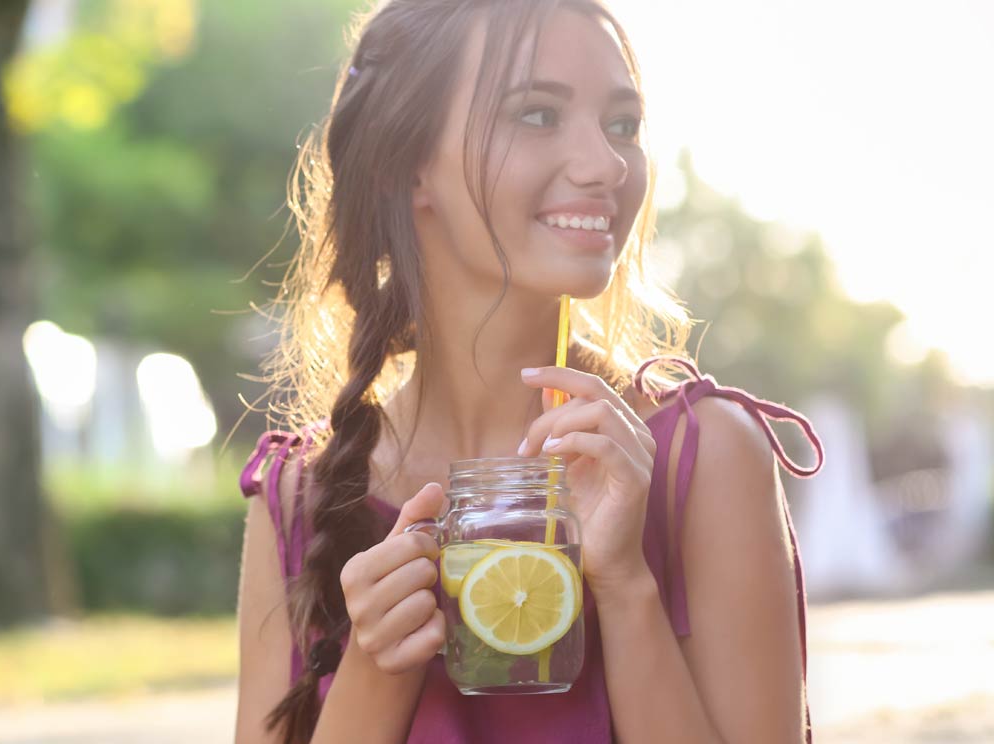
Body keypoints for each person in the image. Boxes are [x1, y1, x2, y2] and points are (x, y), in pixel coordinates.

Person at [234, 1, 824, 742]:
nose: (606, 164)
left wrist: (625, 587)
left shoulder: (704, 459)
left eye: (623, 126)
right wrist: (375, 669)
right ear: (410, 166)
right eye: (539, 115)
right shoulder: (297, 497)